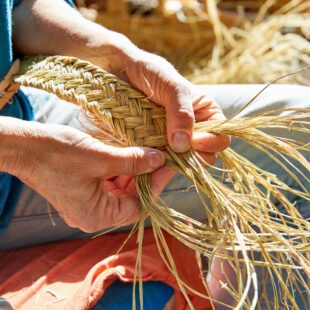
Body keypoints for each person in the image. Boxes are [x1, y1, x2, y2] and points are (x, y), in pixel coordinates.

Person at [0, 1, 308, 309]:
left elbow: (21, 8)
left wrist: (116, 54)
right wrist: (24, 152)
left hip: (20, 111)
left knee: (303, 126)